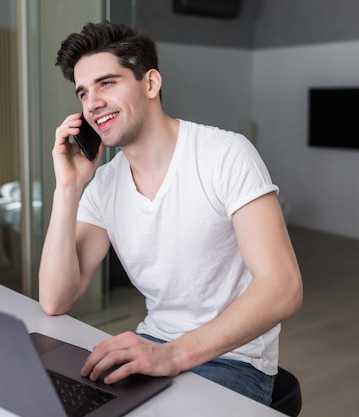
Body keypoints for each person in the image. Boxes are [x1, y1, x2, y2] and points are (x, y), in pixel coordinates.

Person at [39, 21, 303, 406]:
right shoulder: (104, 184)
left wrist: (174, 354)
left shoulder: (225, 154)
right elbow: (55, 300)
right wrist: (68, 188)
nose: (92, 103)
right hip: (153, 342)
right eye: (83, 92)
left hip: (233, 359)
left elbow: (283, 287)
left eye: (107, 83)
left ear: (150, 84)